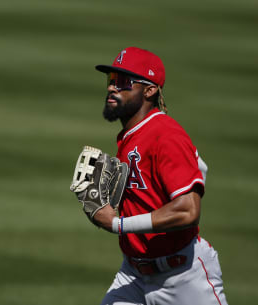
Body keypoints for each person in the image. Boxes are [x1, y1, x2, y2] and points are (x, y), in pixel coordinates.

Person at [92, 47, 228, 305]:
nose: (112, 88)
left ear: (150, 90)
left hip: (182, 277)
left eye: (123, 82)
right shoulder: (131, 135)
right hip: (132, 274)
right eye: (111, 80)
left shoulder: (165, 135)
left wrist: (117, 223)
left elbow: (188, 210)